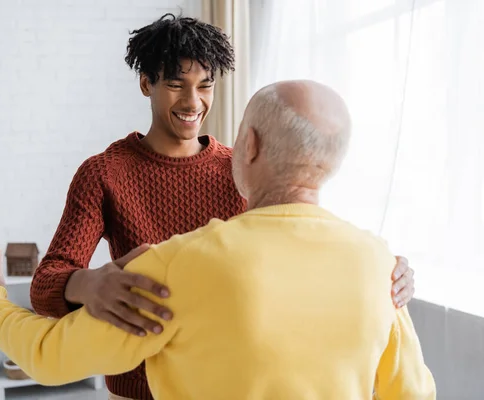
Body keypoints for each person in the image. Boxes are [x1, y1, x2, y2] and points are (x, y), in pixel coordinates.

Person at [27, 13, 415, 400]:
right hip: (134, 389)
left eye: (205, 86)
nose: (192, 102)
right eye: (176, 85)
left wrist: (386, 274)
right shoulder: (103, 173)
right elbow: (46, 282)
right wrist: (88, 282)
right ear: (147, 84)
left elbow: (306, 244)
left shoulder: (245, 170)